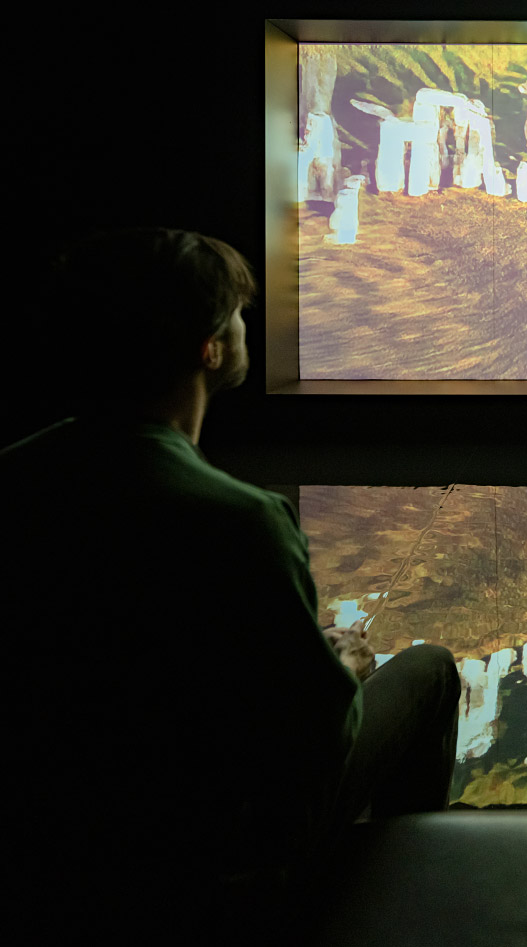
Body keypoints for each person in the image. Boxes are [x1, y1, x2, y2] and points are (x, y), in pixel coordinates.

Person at [1, 228, 461, 946]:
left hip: (49, 850)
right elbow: (318, 738)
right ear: (210, 350)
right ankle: (374, 892)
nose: (248, 325)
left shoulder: (16, 478)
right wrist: (341, 664)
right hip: (217, 861)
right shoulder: (241, 521)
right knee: (428, 670)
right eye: (238, 315)